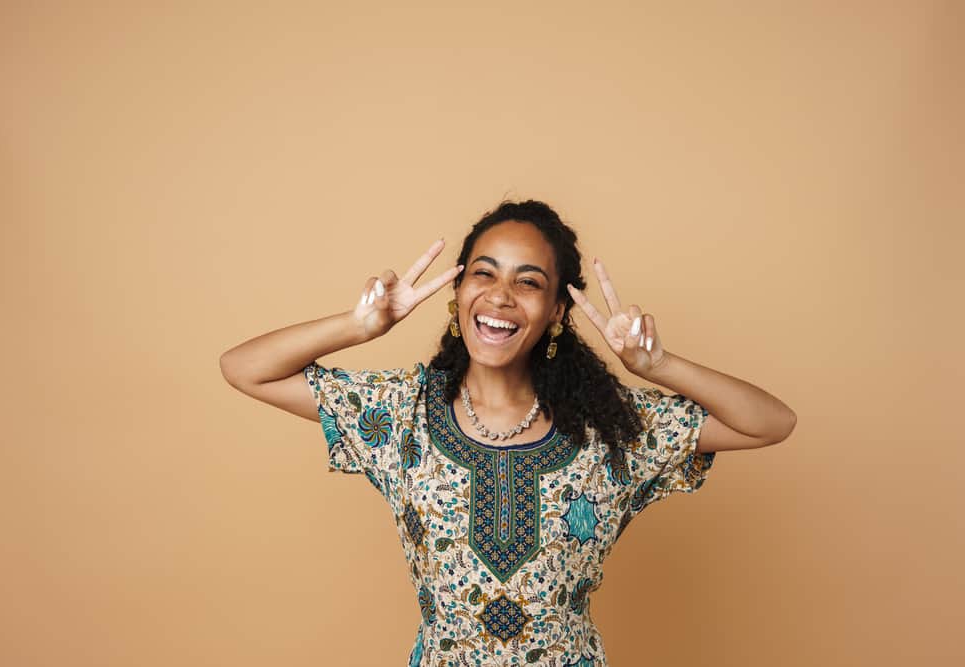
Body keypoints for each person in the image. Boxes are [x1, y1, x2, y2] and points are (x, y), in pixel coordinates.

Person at [219, 199, 797, 666]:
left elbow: (772, 422)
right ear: (458, 294)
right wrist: (358, 325)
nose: (499, 296)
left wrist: (656, 368)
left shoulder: (612, 427)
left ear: (556, 313)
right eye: (483, 274)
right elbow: (243, 368)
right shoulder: (400, 414)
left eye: (528, 282)